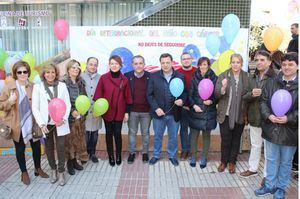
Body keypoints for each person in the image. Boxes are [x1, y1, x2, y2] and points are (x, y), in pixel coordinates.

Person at [254, 52, 298, 198]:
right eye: (284, 64)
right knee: (271, 159)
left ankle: (281, 187)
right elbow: (263, 102)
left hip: (290, 131)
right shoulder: (272, 82)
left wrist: (289, 118)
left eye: (290, 64)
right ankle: (270, 185)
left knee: (286, 162)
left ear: (297, 66)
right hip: (271, 129)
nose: (286, 67)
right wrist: (269, 116)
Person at [0, 61, 48, 185]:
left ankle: (38, 168)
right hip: (17, 124)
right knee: (20, 149)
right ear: (15, 73)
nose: (22, 74)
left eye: (24, 71)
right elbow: (1, 105)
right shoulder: (9, 87)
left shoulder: (34, 86)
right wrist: (10, 101)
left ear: (28, 72)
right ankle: (24, 172)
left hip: (33, 122)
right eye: (19, 72)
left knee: (36, 147)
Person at [32, 63, 71, 186]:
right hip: (46, 124)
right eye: (47, 72)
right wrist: (41, 124)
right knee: (49, 148)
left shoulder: (62, 86)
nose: (50, 75)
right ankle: (53, 170)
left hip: (60, 123)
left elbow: (67, 104)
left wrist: (63, 119)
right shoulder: (38, 87)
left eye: (53, 72)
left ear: (56, 73)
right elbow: (35, 107)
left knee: (60, 147)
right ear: (43, 74)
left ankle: (61, 171)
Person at [239, 51, 276, 178]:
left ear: (269, 62)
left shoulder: (276, 77)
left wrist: (264, 94)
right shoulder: (252, 77)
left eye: (262, 60)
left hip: (269, 118)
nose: (259, 62)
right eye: (257, 60)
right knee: (255, 145)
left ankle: (267, 175)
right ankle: (252, 169)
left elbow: (280, 98)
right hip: (254, 117)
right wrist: (251, 94)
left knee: (268, 149)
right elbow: (244, 96)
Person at [147, 53, 186, 166]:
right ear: (160, 63)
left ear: (172, 62)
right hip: (159, 114)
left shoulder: (180, 76)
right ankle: (155, 155)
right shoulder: (154, 76)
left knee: (173, 137)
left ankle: (172, 156)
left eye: (167, 62)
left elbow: (185, 93)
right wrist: (156, 108)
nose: (165, 65)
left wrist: (182, 101)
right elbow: (149, 95)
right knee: (158, 136)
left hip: (174, 113)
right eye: (163, 63)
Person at [93, 55, 132, 166]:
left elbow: (128, 97)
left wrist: (126, 112)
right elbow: (98, 96)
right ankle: (111, 156)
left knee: (117, 134)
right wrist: (98, 110)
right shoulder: (104, 78)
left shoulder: (124, 79)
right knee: (109, 134)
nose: (114, 66)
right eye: (112, 63)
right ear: (109, 65)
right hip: (107, 111)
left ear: (120, 65)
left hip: (120, 111)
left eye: (116, 64)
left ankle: (118, 155)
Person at [214, 53, 249, 174]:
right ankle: (224, 162)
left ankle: (232, 162)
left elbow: (248, 94)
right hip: (225, 114)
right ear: (230, 63)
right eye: (233, 62)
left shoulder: (246, 76)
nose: (235, 64)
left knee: (236, 140)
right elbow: (216, 94)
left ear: (241, 64)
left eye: (238, 62)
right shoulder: (223, 75)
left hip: (240, 114)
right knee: (225, 140)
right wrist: (223, 88)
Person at [188, 57, 217, 168]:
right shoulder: (194, 77)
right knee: (193, 136)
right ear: (198, 65)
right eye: (201, 64)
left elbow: (217, 95)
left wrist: (212, 101)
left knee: (206, 136)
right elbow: (190, 95)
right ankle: (193, 156)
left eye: (205, 64)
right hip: (196, 111)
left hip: (208, 112)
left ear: (208, 65)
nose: (203, 66)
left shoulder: (214, 77)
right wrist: (194, 105)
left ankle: (204, 157)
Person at [63, 60, 89, 175]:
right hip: (69, 116)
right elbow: (63, 100)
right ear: (68, 69)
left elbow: (84, 98)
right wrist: (72, 111)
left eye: (78, 68)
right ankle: (69, 162)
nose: (76, 69)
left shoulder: (81, 82)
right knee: (69, 141)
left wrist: (84, 111)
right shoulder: (63, 83)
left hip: (80, 116)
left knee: (77, 139)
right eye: (73, 67)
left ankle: (75, 160)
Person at [125, 55, 151, 164]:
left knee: (145, 133)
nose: (138, 65)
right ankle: (132, 153)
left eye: (140, 63)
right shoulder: (127, 76)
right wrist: (125, 112)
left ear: (144, 64)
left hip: (147, 111)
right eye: (136, 63)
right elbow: (124, 95)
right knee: (132, 133)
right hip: (132, 111)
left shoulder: (151, 76)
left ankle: (145, 153)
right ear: (132, 65)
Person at [177, 53, 197, 160]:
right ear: (181, 61)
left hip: (195, 107)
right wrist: (183, 104)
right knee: (183, 129)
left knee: (193, 130)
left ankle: (191, 150)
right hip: (183, 107)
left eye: (188, 59)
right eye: (183, 59)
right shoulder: (177, 73)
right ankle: (184, 150)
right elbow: (175, 90)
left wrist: (195, 104)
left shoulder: (197, 72)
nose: (186, 61)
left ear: (191, 59)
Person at [81, 57, 102, 163]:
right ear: (87, 64)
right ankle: (84, 153)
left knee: (94, 133)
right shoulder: (80, 76)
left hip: (96, 110)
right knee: (85, 133)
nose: (93, 67)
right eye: (91, 64)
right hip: (83, 110)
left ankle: (92, 153)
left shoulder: (101, 77)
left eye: (95, 65)